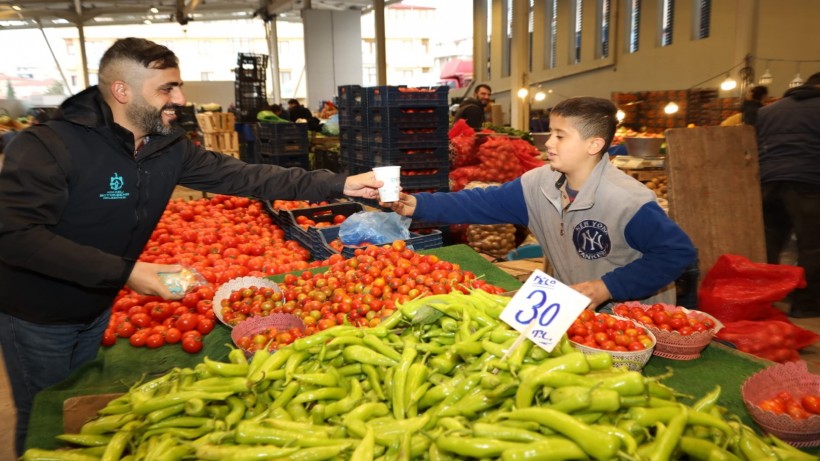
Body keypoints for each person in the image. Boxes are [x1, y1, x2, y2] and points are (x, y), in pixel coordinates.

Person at [0, 37, 382, 456]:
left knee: (76, 405)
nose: (180, 98)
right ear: (121, 91)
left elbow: (252, 178)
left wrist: (338, 183)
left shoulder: (167, 147)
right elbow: (16, 237)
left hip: (96, 304)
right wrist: (127, 271)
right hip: (37, 313)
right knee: (43, 415)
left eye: (178, 86)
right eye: (167, 88)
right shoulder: (47, 147)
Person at [388, 96, 696, 310]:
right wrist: (417, 205)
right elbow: (479, 203)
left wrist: (605, 288)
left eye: (560, 136)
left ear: (594, 144)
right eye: (551, 133)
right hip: (575, 310)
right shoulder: (540, 184)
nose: (548, 143)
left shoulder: (626, 201)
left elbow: (677, 253)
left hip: (632, 317)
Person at [756, 72, 820, 318]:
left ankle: (764, 299)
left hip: (768, 182)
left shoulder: (769, 111)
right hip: (809, 184)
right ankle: (807, 303)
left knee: (769, 243)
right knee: (813, 246)